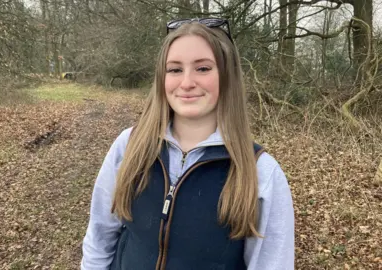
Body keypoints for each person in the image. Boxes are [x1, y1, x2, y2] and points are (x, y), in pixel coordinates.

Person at [81, 18, 294, 270]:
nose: (187, 83)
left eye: (203, 68)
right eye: (175, 69)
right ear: (162, 78)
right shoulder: (129, 145)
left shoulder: (261, 172)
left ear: (227, 76)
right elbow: (100, 235)